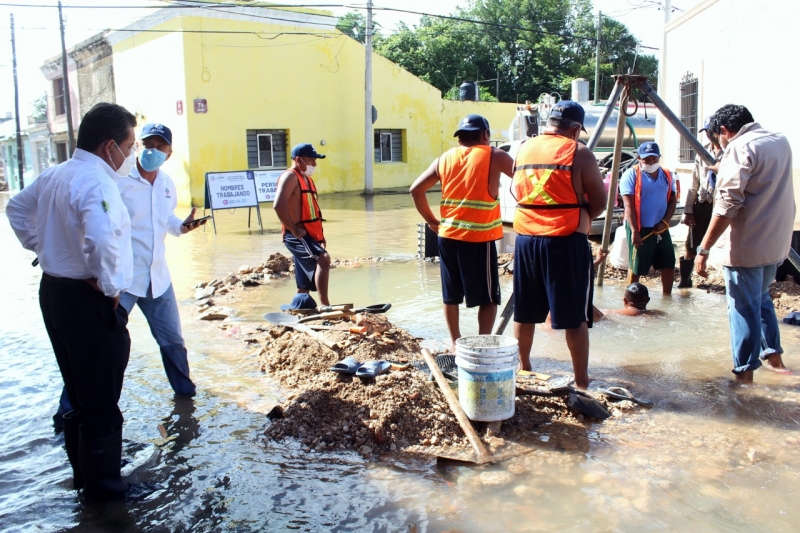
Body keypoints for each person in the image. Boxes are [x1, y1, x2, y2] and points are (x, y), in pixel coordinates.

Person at [6, 102, 137, 500]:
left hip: (55, 292)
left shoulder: (56, 174)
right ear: (109, 146)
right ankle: (106, 493)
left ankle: (85, 480)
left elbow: (16, 208)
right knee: (100, 396)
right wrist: (111, 287)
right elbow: (100, 239)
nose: (130, 156)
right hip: (86, 297)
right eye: (129, 147)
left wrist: (41, 245)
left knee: (79, 389)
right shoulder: (97, 182)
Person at [696, 104, 795, 383]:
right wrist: (723, 165)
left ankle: (745, 376)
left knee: (741, 309)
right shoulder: (778, 140)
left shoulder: (739, 149)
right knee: (761, 299)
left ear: (725, 131)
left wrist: (703, 249)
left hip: (748, 244)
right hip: (775, 242)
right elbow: (759, 178)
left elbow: (727, 204)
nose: (720, 144)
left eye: (718, 138)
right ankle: (775, 359)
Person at [511, 101, 607, 388]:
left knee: (525, 311)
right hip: (565, 242)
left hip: (526, 240)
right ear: (576, 129)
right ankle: (581, 381)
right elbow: (600, 202)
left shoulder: (523, 148)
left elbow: (516, 189)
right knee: (575, 316)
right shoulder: (578, 152)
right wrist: (581, 215)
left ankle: (524, 367)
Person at [410, 114, 513, 352]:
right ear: (486, 135)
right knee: (488, 297)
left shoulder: (444, 158)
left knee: (451, 293)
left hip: (446, 236)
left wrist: (432, 222)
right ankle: (483, 344)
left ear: (460, 140)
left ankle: (455, 344)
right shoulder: (494, 155)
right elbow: (526, 179)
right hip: (478, 238)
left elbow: (416, 190)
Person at [274, 143, 330, 309]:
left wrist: (320, 236)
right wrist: (293, 228)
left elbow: (312, 209)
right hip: (296, 233)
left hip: (309, 233)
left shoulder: (307, 179)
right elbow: (278, 205)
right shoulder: (290, 177)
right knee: (323, 259)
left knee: (306, 265)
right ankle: (325, 305)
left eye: (315, 161)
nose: (314, 165)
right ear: (298, 160)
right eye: (311, 161)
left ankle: (301, 304)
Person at [620, 142, 678, 294]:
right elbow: (629, 206)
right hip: (640, 227)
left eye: (654, 158)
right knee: (637, 265)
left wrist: (665, 222)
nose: (651, 162)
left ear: (659, 157)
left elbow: (672, 200)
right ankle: (630, 299)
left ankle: (667, 297)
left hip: (661, 227)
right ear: (639, 158)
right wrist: (634, 231)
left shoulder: (667, 174)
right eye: (647, 159)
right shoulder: (631, 175)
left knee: (668, 263)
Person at [679, 116, 723, 288]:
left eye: (711, 132)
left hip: (720, 203)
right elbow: (694, 183)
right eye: (707, 132)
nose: (709, 135)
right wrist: (688, 210)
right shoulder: (702, 152)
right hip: (703, 203)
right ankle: (685, 281)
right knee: (691, 244)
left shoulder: (729, 153)